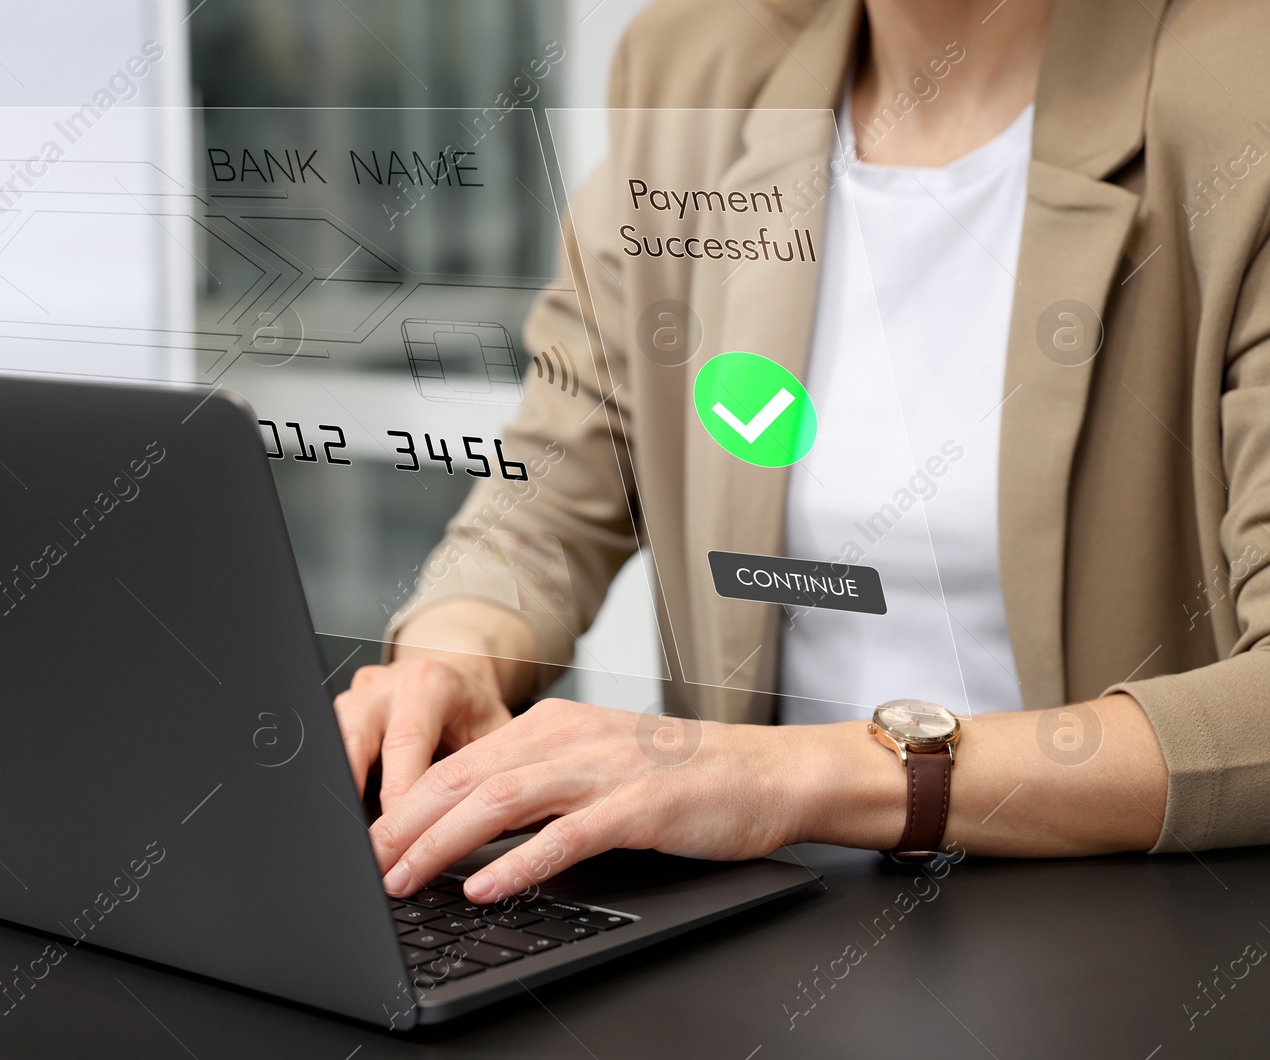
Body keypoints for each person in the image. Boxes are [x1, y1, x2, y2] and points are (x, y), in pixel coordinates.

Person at [336, 0, 1270, 904]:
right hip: (766, 933)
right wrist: (453, 658)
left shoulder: (1238, 88)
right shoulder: (694, 63)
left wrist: (794, 778)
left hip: (1124, 949)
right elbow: (551, 491)